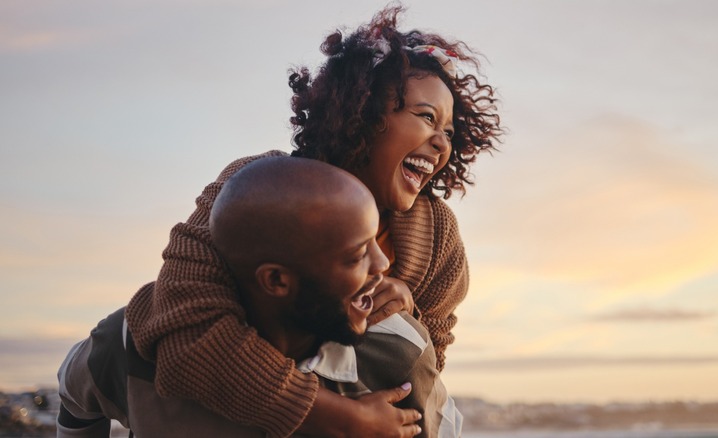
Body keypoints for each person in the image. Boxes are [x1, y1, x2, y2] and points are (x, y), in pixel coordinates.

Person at [125, 5, 502, 437]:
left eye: (450, 132)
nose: (441, 143)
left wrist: (408, 311)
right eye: (426, 117)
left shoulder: (438, 238)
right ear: (365, 114)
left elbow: (425, 370)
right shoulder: (255, 188)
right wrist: (332, 416)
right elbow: (186, 332)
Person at [57, 157, 461, 437]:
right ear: (276, 280)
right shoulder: (135, 341)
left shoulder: (400, 352)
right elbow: (75, 398)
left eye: (376, 240)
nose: (382, 265)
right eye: (357, 254)